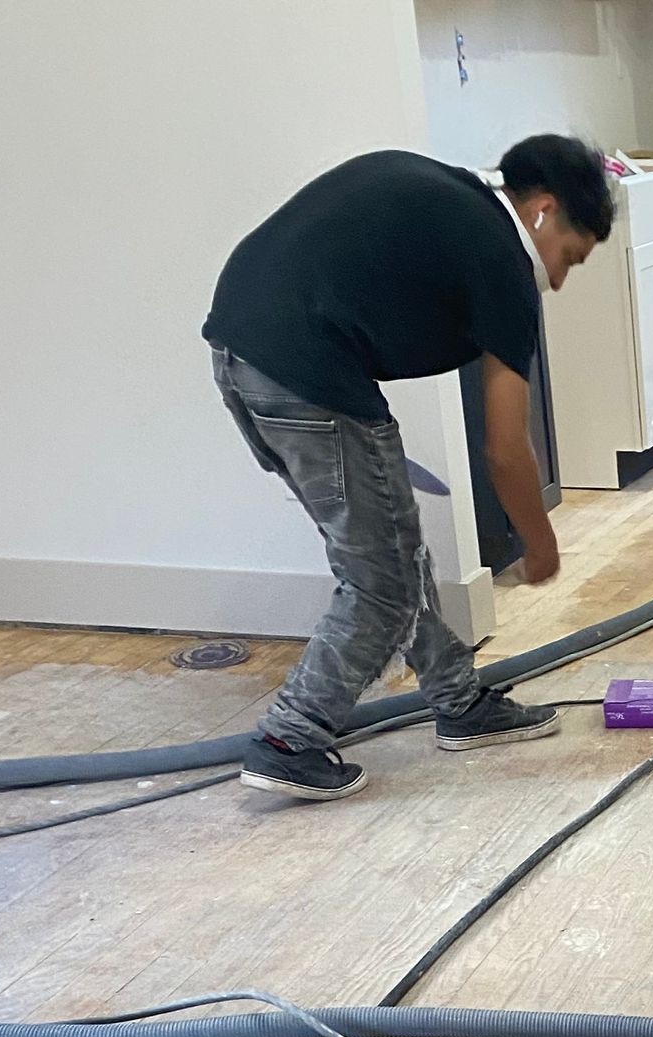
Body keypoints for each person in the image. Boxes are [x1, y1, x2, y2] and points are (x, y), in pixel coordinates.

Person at [205, 136, 612, 802]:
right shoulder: (500, 258)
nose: (561, 279)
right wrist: (541, 545)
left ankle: (458, 700)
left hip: (243, 356)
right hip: (302, 370)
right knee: (382, 581)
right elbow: (506, 448)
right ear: (542, 212)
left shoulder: (456, 202)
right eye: (570, 256)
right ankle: (290, 737)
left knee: (391, 550)